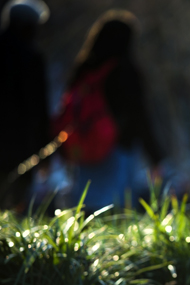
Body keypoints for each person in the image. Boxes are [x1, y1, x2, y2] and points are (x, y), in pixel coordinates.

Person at [62, 10, 164, 211]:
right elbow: (139, 115)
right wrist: (155, 157)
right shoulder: (126, 70)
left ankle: (85, 240)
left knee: (87, 203)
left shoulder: (84, 68)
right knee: (115, 208)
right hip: (117, 148)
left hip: (85, 148)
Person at [0, 0, 50, 211]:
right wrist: (44, 153)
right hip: (19, 146)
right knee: (13, 201)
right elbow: (38, 109)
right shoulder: (31, 58)